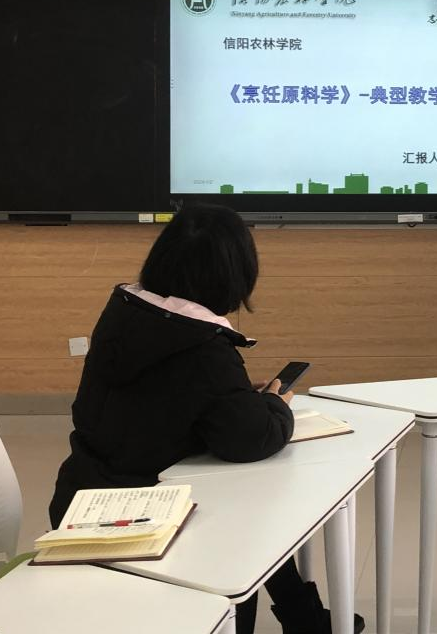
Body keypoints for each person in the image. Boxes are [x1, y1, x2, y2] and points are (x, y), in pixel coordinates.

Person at [49, 204, 360, 634]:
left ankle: (304, 619)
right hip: (142, 519)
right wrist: (275, 404)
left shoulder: (126, 311)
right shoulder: (202, 345)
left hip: (79, 497)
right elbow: (253, 438)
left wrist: (230, 396)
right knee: (248, 527)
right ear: (234, 275)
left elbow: (168, 399)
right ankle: (294, 620)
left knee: (249, 511)